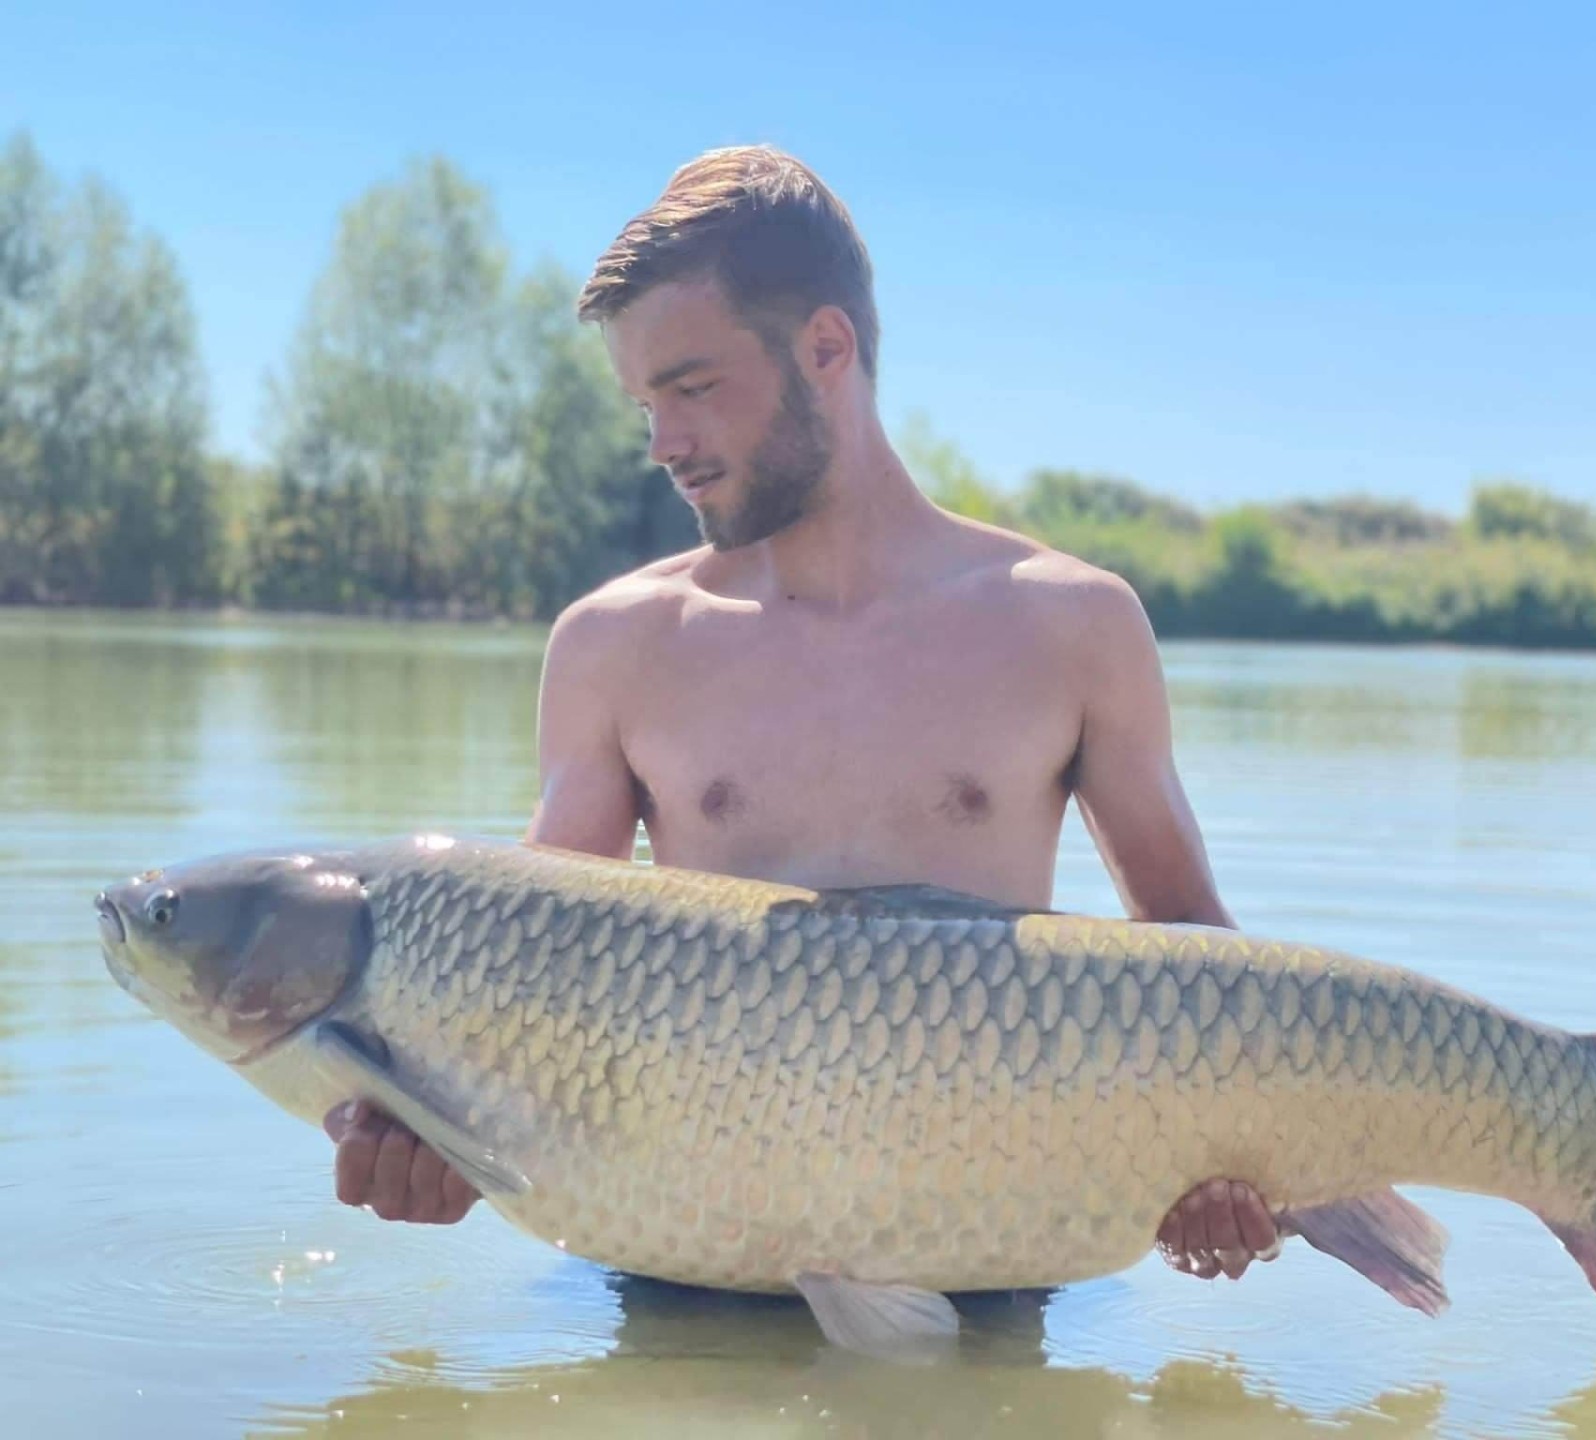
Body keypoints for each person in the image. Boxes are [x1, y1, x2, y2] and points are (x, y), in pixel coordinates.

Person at [322, 145, 1279, 1283]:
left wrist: (1238, 1164)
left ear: (827, 348)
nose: (662, 445)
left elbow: (1200, 959)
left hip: (981, 1263)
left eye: (693, 388)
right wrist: (414, 1133)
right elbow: (520, 1002)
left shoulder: (1072, 626)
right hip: (679, 1266)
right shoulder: (616, 646)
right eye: (644, 403)